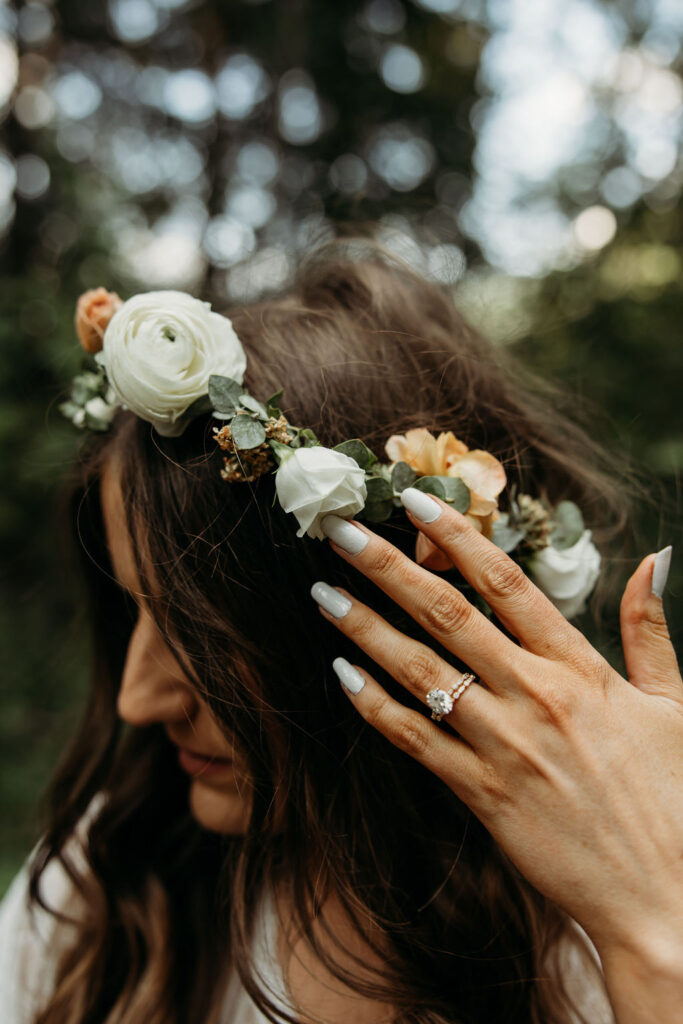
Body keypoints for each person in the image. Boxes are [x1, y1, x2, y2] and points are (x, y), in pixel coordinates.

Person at [0, 239, 681, 1024]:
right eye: (133, 610)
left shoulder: (591, 944)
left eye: (205, 636)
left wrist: (657, 941)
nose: (136, 701)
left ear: (401, 616)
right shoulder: (105, 889)